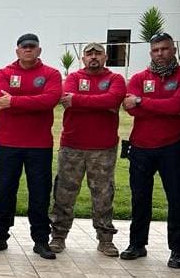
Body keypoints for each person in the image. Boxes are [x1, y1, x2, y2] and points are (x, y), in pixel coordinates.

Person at [120, 33, 180, 267]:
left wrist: (143, 101)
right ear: (151, 52)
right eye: (155, 50)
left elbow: (178, 106)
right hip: (141, 147)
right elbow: (130, 109)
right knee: (139, 198)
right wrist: (158, 105)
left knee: (177, 199)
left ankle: (177, 250)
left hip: (172, 148)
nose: (160, 54)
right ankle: (137, 244)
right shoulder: (138, 78)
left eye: (165, 49)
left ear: (173, 50)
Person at [0, 33, 62, 259]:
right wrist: (33, 101)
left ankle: (40, 240)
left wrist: (16, 101)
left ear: (39, 50)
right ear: (17, 51)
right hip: (9, 144)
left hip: (39, 145)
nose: (28, 50)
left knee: (39, 192)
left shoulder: (51, 74)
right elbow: (0, 99)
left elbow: (50, 100)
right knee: (5, 190)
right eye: (24, 47)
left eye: (32, 47)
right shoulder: (5, 73)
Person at [49, 43, 125, 257]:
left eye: (97, 53)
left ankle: (105, 239)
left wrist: (79, 100)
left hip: (103, 147)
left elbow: (113, 99)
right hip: (72, 145)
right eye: (89, 54)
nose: (93, 57)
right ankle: (58, 236)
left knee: (103, 194)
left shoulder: (115, 79)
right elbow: (67, 99)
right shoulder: (73, 77)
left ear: (105, 57)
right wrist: (101, 103)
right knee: (64, 193)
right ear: (82, 58)